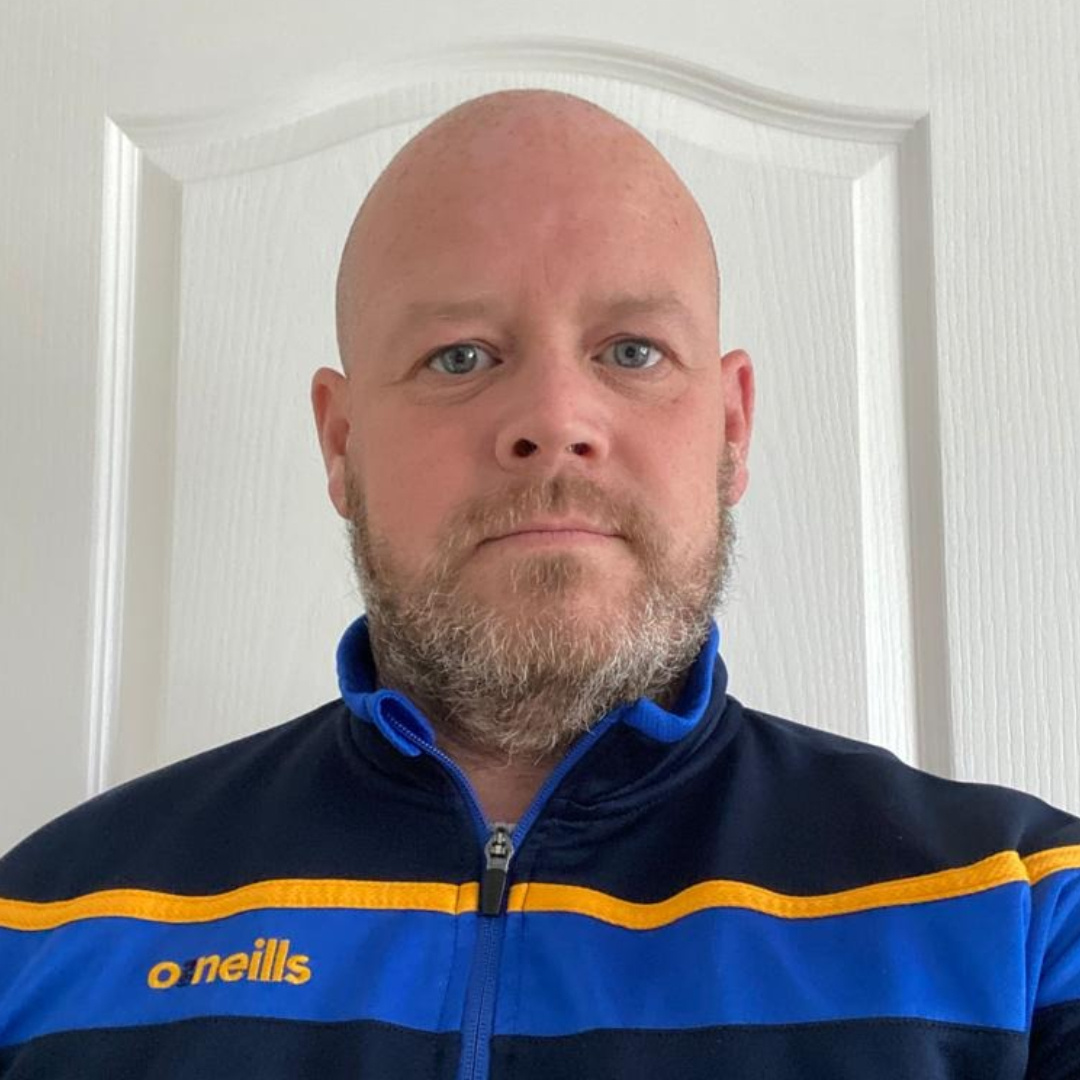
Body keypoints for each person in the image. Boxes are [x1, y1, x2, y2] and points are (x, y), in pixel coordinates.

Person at [0, 89, 1077, 1080]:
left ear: (732, 425)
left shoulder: (1029, 923)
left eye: (633, 351)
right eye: (459, 357)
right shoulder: (39, 931)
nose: (555, 420)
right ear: (341, 443)